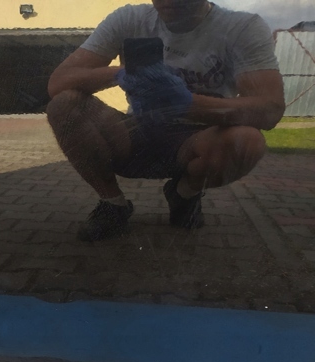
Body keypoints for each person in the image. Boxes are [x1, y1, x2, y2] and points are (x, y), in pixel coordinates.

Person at [46, 0, 285, 241]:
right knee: (64, 105)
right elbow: (58, 82)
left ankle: (184, 193)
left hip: (199, 140)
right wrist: (120, 73)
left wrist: (186, 105)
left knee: (248, 141)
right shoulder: (129, 19)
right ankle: (113, 203)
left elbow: (270, 109)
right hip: (137, 131)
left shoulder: (242, 28)